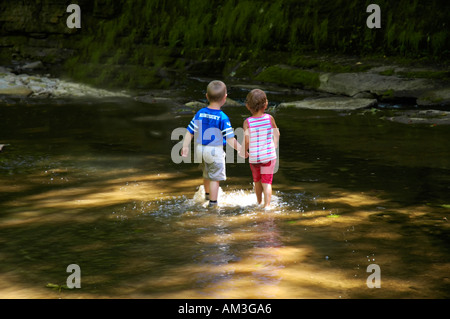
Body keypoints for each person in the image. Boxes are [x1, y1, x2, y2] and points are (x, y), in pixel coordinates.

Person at [181, 80, 245, 206]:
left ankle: (207, 196)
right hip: (215, 151)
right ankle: (213, 203)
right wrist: (241, 149)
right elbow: (230, 138)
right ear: (225, 98)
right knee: (215, 178)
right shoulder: (222, 117)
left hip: (200, 149)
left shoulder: (200, 113)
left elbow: (190, 131)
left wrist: (185, 146)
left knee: (206, 173)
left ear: (206, 96)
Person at [239, 89, 280, 208]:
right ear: (266, 105)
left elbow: (246, 140)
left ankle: (259, 203)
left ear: (247, 106)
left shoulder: (247, 122)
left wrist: (244, 151)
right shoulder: (269, 118)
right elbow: (276, 132)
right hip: (268, 157)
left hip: (255, 158)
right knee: (267, 183)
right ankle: (267, 206)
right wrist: (275, 144)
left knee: (257, 182)